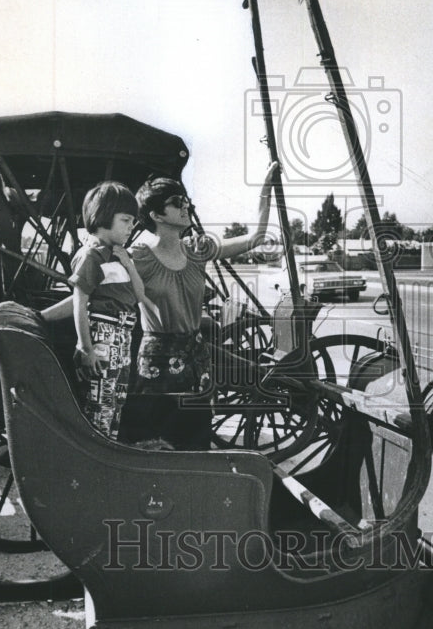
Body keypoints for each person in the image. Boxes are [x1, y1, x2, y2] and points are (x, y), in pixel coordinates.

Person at [118, 162, 279, 450]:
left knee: (196, 453)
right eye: (177, 202)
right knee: (155, 454)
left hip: (196, 368)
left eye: (186, 200)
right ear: (156, 215)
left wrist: (266, 187)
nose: (186, 207)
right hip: (157, 373)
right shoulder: (138, 258)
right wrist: (40, 317)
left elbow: (255, 237)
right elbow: (89, 290)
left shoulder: (197, 250)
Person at [68, 181, 155, 439]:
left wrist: (128, 263)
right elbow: (79, 301)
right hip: (103, 333)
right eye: (125, 220)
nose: (131, 226)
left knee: (115, 400)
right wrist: (85, 347)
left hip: (122, 334)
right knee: (100, 402)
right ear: (103, 217)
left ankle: (108, 447)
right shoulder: (91, 256)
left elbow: (139, 294)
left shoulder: (118, 256)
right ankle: (96, 455)